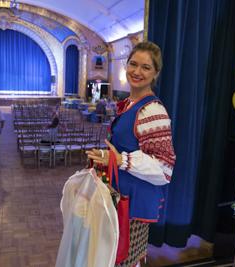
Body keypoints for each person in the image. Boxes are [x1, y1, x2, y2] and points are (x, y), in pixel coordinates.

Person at [86, 41, 176, 267]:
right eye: (133, 64)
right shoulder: (132, 104)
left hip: (132, 204)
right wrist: (106, 157)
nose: (137, 71)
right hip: (119, 197)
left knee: (123, 261)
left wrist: (120, 159)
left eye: (146, 67)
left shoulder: (152, 110)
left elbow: (165, 170)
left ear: (156, 73)